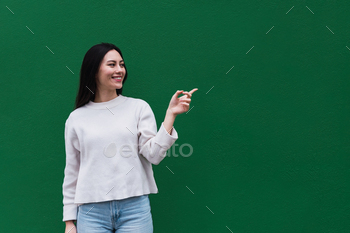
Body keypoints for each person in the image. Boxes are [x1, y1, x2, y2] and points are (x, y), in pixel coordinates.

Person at [62, 42, 197, 233]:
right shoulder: (76, 119)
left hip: (135, 210)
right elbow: (72, 171)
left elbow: (154, 155)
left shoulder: (138, 108)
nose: (119, 70)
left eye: (122, 64)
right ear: (93, 71)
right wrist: (69, 221)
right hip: (91, 213)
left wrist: (170, 115)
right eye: (112, 64)